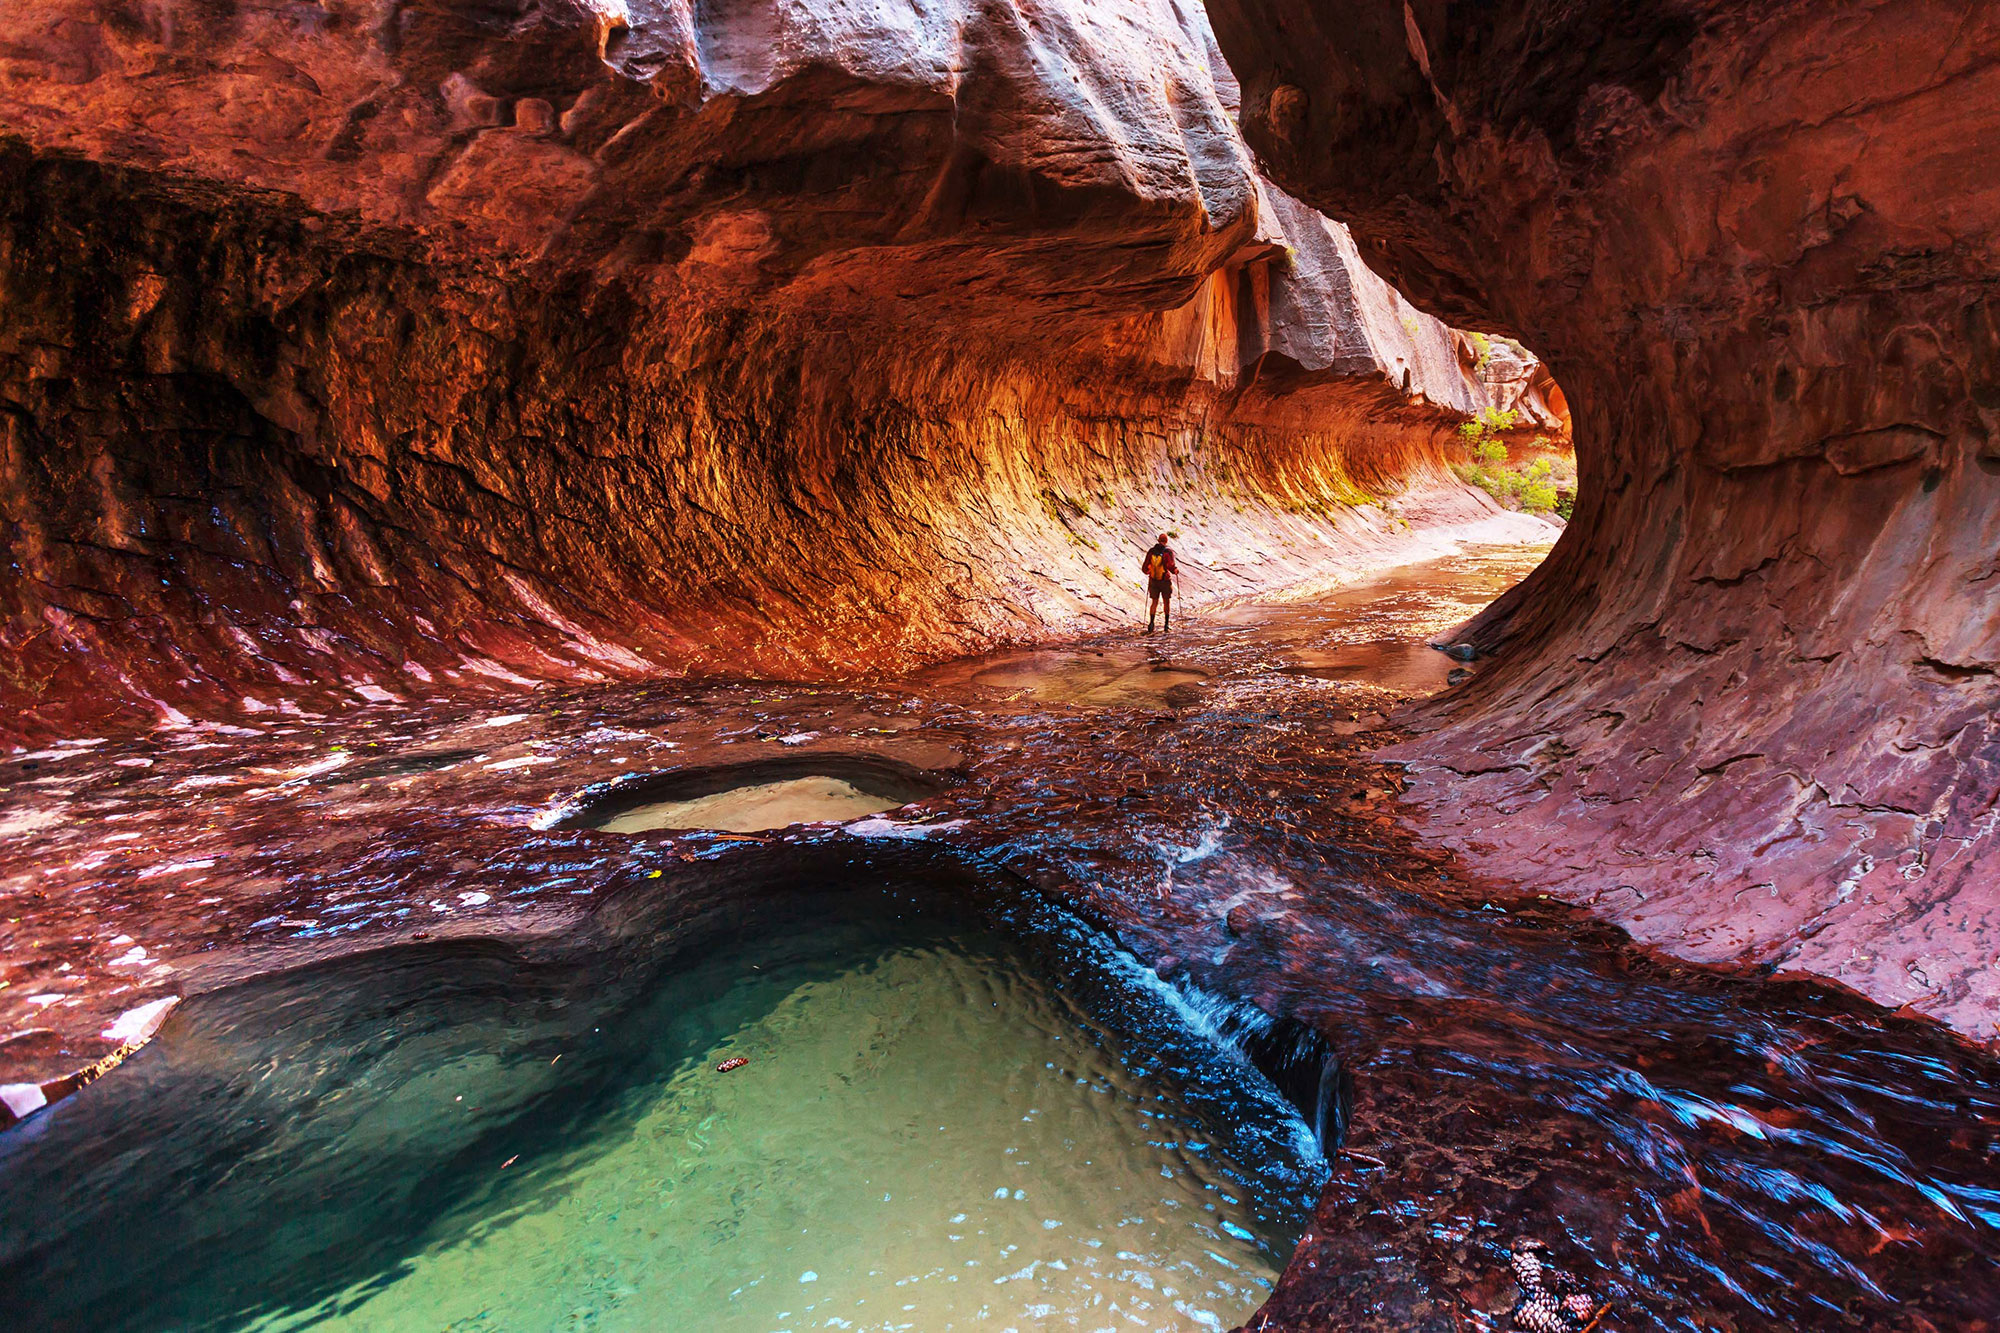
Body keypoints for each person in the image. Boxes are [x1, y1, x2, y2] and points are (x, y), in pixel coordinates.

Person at [1140, 532, 1177, 632]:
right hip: (1164, 580)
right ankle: (1166, 625)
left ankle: (1151, 624)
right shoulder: (1167, 552)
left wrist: (1149, 572)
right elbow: (1170, 566)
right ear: (1166, 541)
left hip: (1153, 580)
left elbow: (1144, 567)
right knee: (1166, 602)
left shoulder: (1151, 551)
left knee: (1154, 602)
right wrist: (1175, 571)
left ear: (1158, 540)